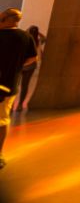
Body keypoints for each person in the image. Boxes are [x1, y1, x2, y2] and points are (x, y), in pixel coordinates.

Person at [0, 9, 37, 169]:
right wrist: (16, 67)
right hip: (9, 85)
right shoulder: (25, 37)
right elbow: (32, 58)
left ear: (5, 18)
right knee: (2, 120)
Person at [15, 25, 45, 112]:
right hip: (31, 65)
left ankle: (12, 104)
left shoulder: (23, 40)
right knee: (25, 85)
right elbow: (45, 38)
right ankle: (20, 105)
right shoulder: (38, 41)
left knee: (15, 84)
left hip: (20, 64)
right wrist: (38, 32)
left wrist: (27, 30)